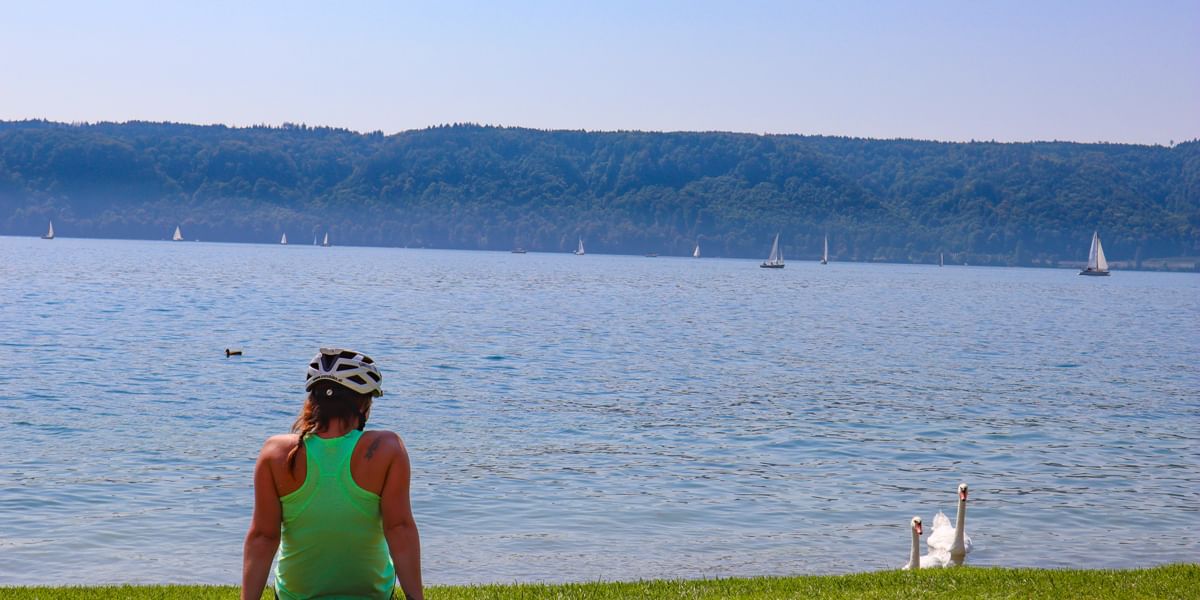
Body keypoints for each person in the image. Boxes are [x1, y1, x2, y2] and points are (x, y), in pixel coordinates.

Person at [241, 348, 423, 600]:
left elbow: (263, 537)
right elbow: (399, 528)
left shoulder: (275, 452)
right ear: (363, 405)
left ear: (312, 401)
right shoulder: (386, 448)